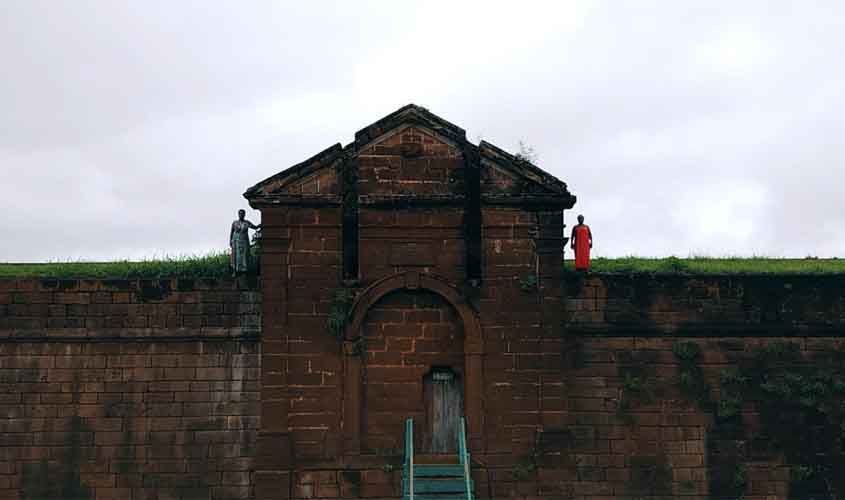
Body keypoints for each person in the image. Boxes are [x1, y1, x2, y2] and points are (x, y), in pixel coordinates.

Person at [230, 209, 261, 276]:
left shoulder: (247, 222)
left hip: (244, 242)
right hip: (236, 242)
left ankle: (244, 270)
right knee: (236, 256)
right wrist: (230, 241)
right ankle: (235, 270)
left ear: (244, 214)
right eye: (240, 213)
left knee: (244, 256)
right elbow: (232, 232)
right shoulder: (235, 223)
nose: (241, 215)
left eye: (243, 213)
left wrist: (261, 225)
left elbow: (255, 227)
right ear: (238, 214)